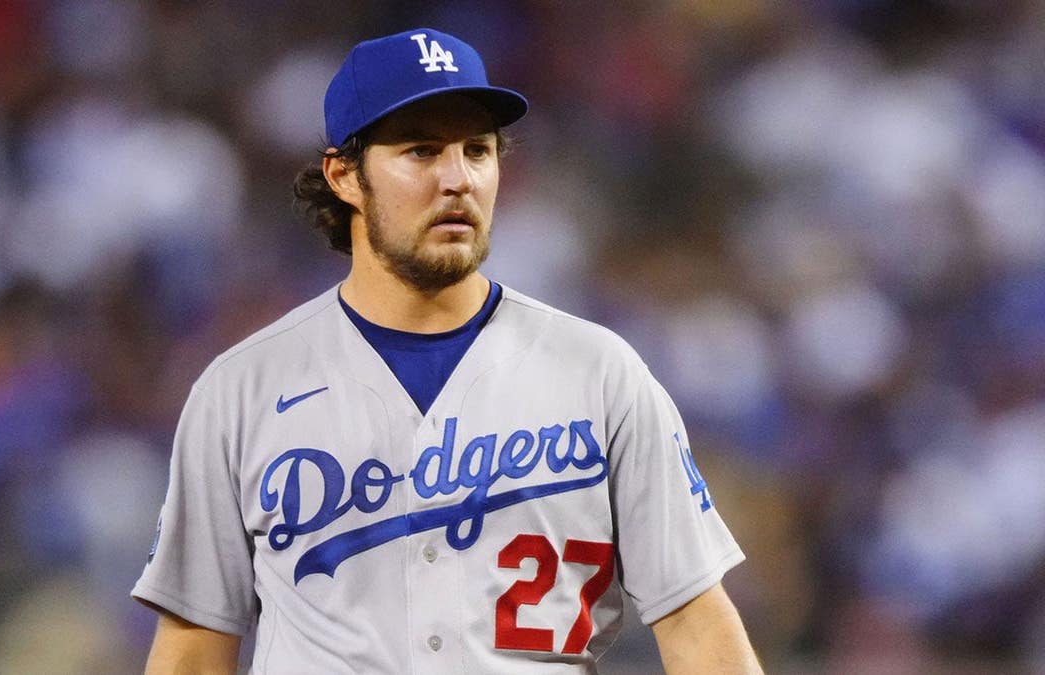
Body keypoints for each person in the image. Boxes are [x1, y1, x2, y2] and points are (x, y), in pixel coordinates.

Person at [132, 27, 762, 674]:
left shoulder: (600, 374)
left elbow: (695, 620)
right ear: (344, 175)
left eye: (477, 150)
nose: (457, 178)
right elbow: (193, 647)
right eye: (422, 150)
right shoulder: (242, 389)